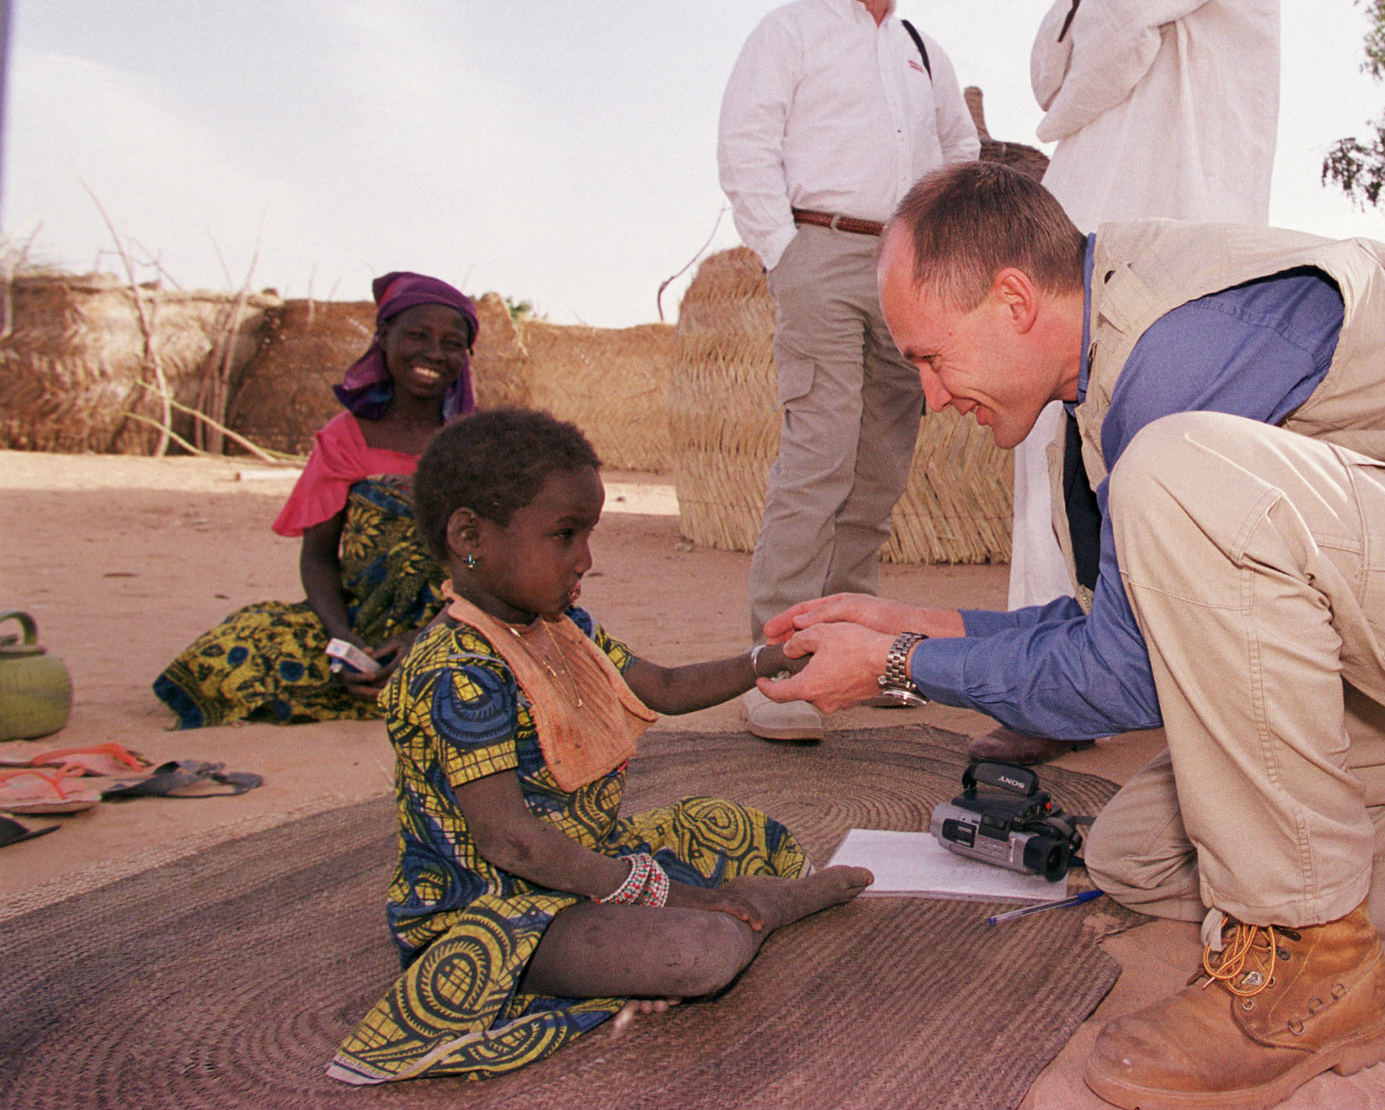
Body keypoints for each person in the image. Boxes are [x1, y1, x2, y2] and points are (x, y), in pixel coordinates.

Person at [756, 163, 1385, 1110]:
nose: (929, 397)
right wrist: (922, 625)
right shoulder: (1110, 365)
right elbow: (1133, 627)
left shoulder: (1182, 357)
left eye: (929, 358)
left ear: (1012, 300)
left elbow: (1124, 677)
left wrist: (899, 668)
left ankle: (1311, 962)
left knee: (1179, 475)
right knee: (1140, 854)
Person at [328, 409, 870, 1085]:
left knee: (733, 823)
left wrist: (769, 659)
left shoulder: (562, 628)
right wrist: (657, 891)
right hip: (494, 911)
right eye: (565, 535)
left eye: (587, 535)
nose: (585, 558)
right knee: (699, 950)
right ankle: (769, 905)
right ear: (469, 536)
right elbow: (512, 843)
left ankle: (714, 913)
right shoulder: (457, 671)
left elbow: (663, 687)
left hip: (586, 865)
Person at [993, 0, 1279, 765]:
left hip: (1182, 234)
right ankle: (1053, 687)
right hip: (1090, 236)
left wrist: (1091, 37)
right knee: (1054, 449)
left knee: (1163, 456)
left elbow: (1102, 49)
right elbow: (1051, 75)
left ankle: (1168, 683)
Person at [717, 0, 981, 743]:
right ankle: (776, 669)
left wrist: (940, 248)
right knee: (819, 457)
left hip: (907, 270)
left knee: (877, 472)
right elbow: (745, 142)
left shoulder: (923, 51)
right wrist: (785, 253)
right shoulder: (788, 31)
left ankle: (852, 657)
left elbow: (960, 148)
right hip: (820, 253)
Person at [153, 272, 480, 728]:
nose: (434, 353)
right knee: (232, 650)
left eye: (452, 343)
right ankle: (377, 678)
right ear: (384, 337)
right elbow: (319, 557)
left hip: (457, 621)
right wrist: (342, 642)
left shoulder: (479, 444)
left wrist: (424, 638)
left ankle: (419, 673)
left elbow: (494, 565)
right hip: (361, 621)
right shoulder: (344, 438)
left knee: (497, 670)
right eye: (417, 336)